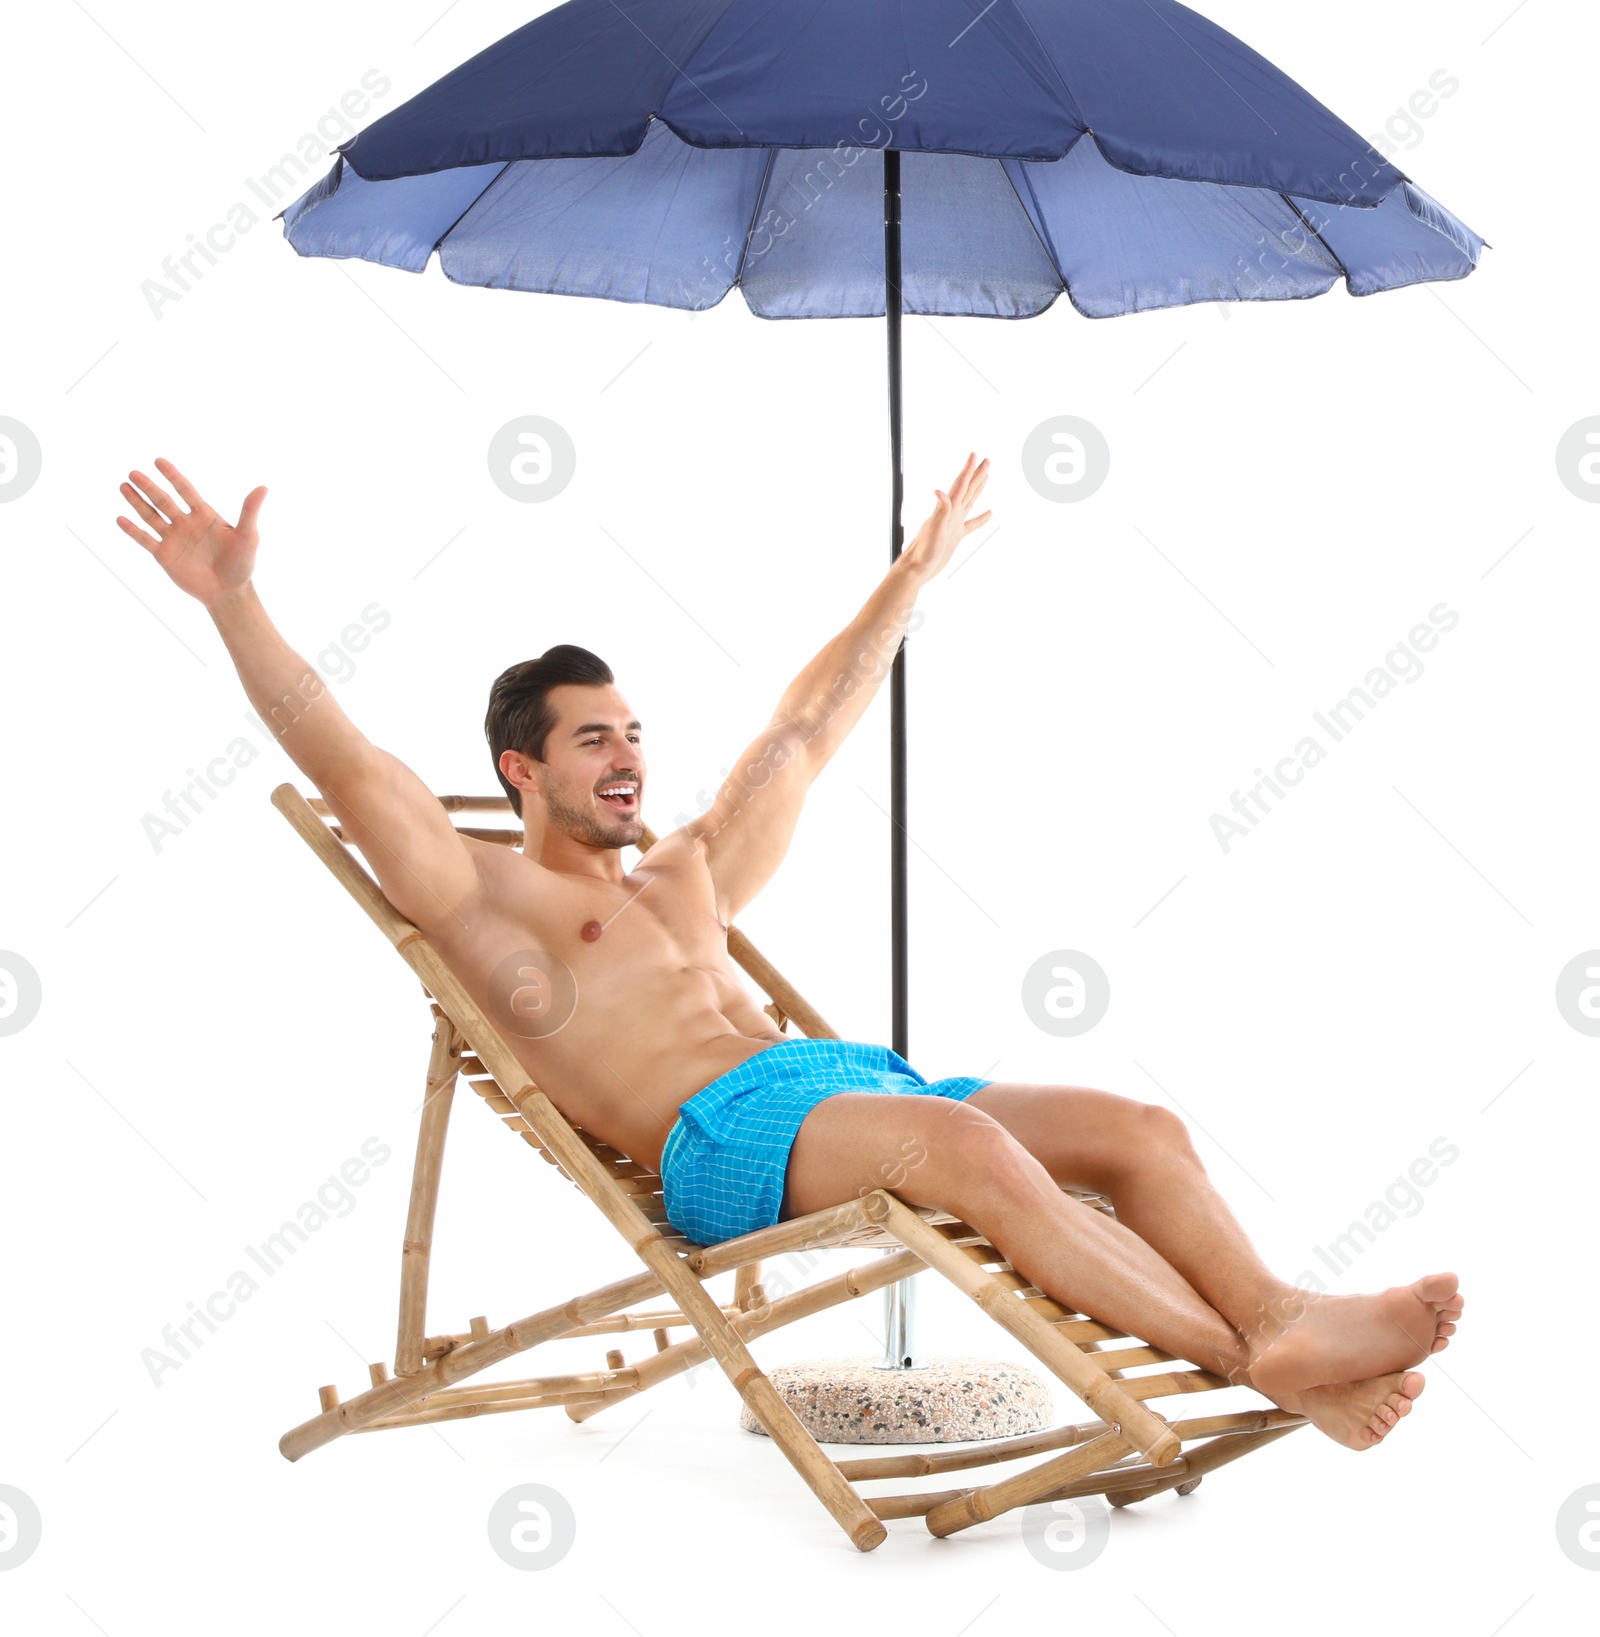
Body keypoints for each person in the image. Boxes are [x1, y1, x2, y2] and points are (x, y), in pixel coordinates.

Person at [116, 452, 1461, 1451]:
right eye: (594, 737)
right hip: (720, 1143)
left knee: (1141, 1128)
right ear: (521, 769)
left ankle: (1281, 1320)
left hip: (839, 1085)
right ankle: (1262, 1354)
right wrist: (236, 604)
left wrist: (912, 578)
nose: (628, 753)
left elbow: (806, 729)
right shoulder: (483, 898)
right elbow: (347, 762)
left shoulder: (692, 872)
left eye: (634, 730)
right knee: (986, 1160)